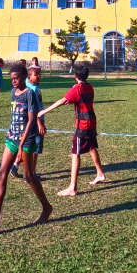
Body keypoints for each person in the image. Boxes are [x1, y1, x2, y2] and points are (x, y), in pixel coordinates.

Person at [0, 65, 52, 238]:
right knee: (2, 174)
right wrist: (11, 136)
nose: (14, 81)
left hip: (26, 140)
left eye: (16, 78)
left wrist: (22, 144)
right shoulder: (12, 93)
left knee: (28, 177)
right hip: (12, 139)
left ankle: (46, 207)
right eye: (12, 79)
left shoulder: (29, 93)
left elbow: (31, 119)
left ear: (24, 76)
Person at [38, 66, 105, 196]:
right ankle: (100, 173)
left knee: (75, 153)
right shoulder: (89, 86)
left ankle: (72, 188)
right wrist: (72, 100)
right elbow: (81, 100)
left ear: (75, 76)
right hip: (92, 121)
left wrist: (44, 111)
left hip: (82, 125)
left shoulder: (77, 88)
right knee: (91, 147)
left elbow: (62, 100)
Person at [11, 63, 46, 180]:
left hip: (33, 123)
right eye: (36, 75)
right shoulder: (32, 90)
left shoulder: (31, 87)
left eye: (39, 75)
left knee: (27, 149)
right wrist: (40, 123)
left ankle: (16, 166)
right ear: (29, 77)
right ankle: (31, 173)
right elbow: (33, 109)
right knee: (35, 148)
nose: (39, 76)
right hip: (35, 124)